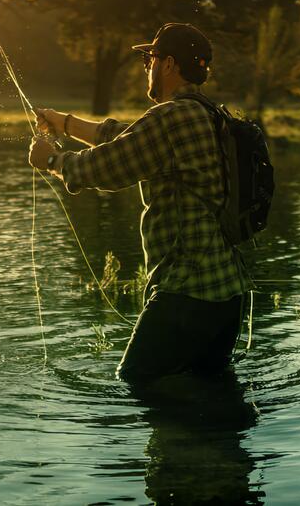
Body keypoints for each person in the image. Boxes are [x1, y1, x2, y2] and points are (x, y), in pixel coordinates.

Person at [28, 22, 251, 383]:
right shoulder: (207, 113)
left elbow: (106, 168)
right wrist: (64, 123)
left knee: (137, 383)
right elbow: (122, 138)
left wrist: (52, 160)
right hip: (226, 296)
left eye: (150, 58)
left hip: (186, 294)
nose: (146, 66)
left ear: (168, 65)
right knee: (209, 394)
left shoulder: (170, 117)